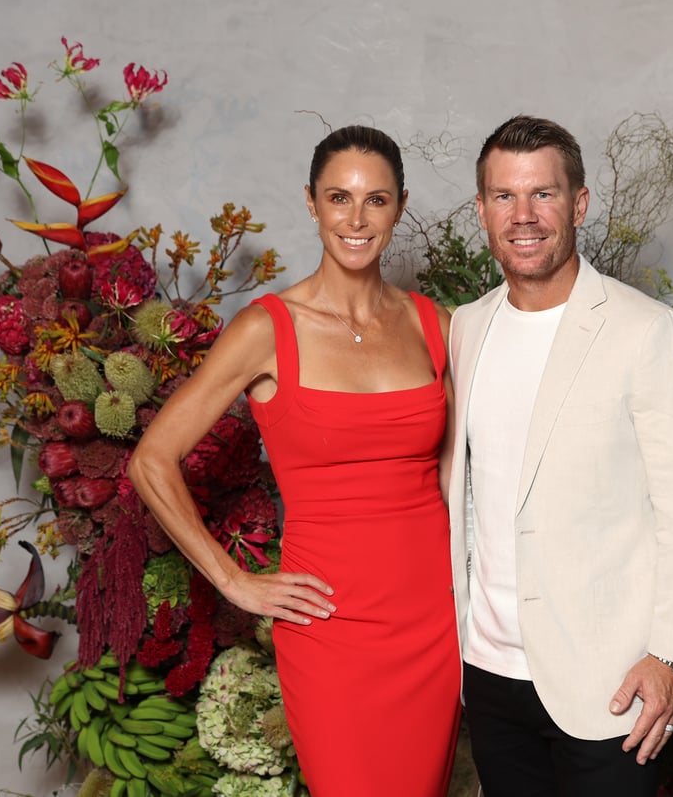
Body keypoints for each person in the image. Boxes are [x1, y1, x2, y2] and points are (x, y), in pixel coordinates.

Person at [128, 125, 461, 796]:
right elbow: (151, 460)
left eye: (377, 199)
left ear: (400, 206)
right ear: (311, 204)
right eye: (339, 197)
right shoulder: (266, 329)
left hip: (435, 618)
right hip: (328, 623)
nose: (356, 218)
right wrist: (231, 579)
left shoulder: (437, 324)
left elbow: (463, 476)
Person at [447, 115, 673, 796]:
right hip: (486, 669)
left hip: (610, 678)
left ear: (579, 203)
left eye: (543, 194)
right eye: (505, 196)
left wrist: (672, 657)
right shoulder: (467, 326)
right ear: (481, 210)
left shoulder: (650, 332)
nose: (524, 215)